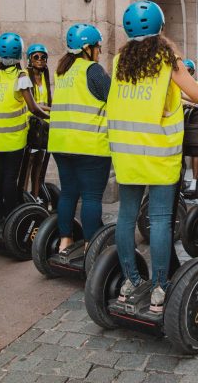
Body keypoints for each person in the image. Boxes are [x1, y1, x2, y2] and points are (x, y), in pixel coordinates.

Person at [111, 1, 198, 312]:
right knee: (160, 219)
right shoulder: (166, 57)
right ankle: (159, 287)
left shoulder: (120, 60)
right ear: (159, 27)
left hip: (125, 151)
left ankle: (130, 280)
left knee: (126, 217)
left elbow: (160, 93)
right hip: (158, 152)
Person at [47, 24, 112, 255]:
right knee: (91, 197)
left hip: (61, 144)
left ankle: (65, 242)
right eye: (97, 47)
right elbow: (113, 99)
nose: (99, 51)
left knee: (68, 193)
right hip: (89, 145)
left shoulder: (61, 71)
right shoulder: (93, 70)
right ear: (87, 48)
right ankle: (89, 246)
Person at [0, 32, 48, 226]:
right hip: (15, 136)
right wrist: (51, 116)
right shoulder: (21, 77)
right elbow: (33, 107)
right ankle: (12, 216)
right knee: (11, 178)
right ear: (20, 55)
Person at [25, 43, 52, 201]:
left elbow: (48, 99)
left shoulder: (45, 77)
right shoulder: (25, 78)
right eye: (36, 57)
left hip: (44, 125)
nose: (40, 60)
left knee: (40, 163)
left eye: (43, 57)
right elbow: (32, 104)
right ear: (30, 59)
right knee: (29, 162)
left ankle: (35, 197)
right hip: (31, 124)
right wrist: (49, 110)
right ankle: (24, 196)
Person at [183, 58, 198, 191]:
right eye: (184, 70)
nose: (186, 73)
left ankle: (195, 181)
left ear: (192, 71)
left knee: (195, 152)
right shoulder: (178, 84)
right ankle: (181, 180)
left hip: (193, 120)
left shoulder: (197, 84)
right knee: (179, 153)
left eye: (188, 70)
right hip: (180, 121)